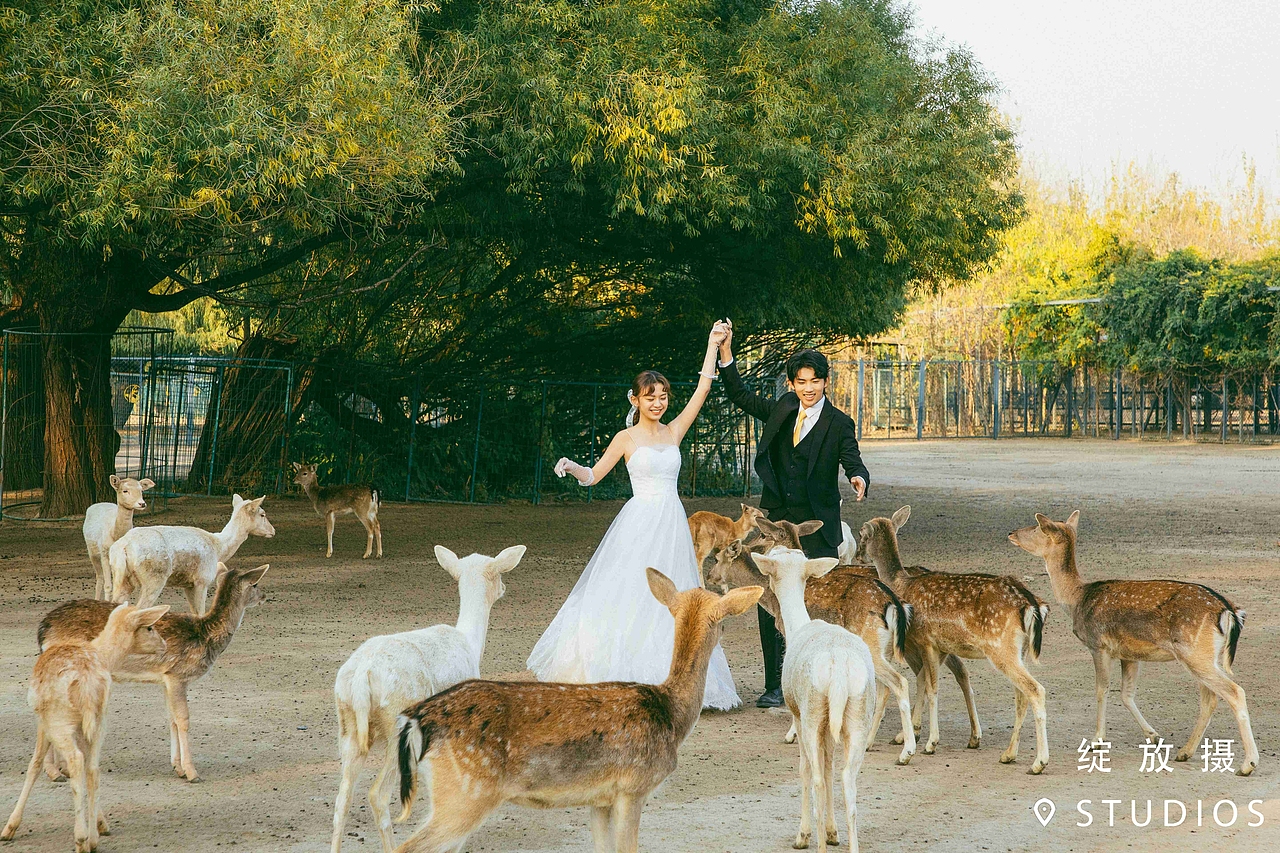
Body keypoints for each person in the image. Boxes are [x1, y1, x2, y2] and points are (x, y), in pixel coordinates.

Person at [526, 325, 741, 709]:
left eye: (662, 396)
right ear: (636, 400)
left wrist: (712, 345)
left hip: (671, 523)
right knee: (630, 592)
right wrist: (573, 467)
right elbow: (594, 476)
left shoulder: (673, 432)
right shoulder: (625, 439)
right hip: (639, 522)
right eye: (650, 397)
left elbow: (703, 389)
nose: (658, 403)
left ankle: (675, 678)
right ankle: (621, 674)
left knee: (673, 597)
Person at [715, 319, 869, 707]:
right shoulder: (783, 409)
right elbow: (740, 395)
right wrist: (726, 351)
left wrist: (858, 477)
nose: (808, 388)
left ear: (825, 381)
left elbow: (852, 458)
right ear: (792, 383)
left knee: (820, 602)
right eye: (801, 382)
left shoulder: (839, 423)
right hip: (776, 526)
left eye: (815, 381)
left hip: (817, 527)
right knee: (771, 599)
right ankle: (775, 685)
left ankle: (822, 680)